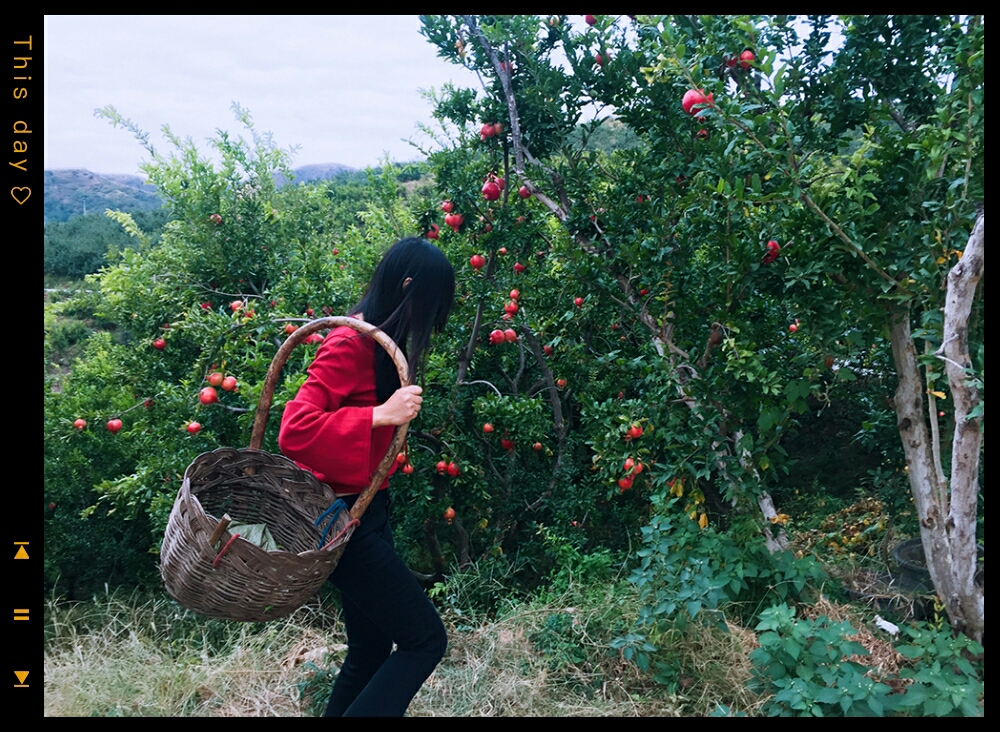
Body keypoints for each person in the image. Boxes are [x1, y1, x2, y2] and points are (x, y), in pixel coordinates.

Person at [278, 236, 455, 717]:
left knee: (370, 652)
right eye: (430, 307)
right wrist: (379, 415)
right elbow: (293, 430)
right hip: (339, 521)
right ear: (406, 288)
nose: (430, 323)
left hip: (367, 513)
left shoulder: (381, 345)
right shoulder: (349, 342)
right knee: (424, 640)